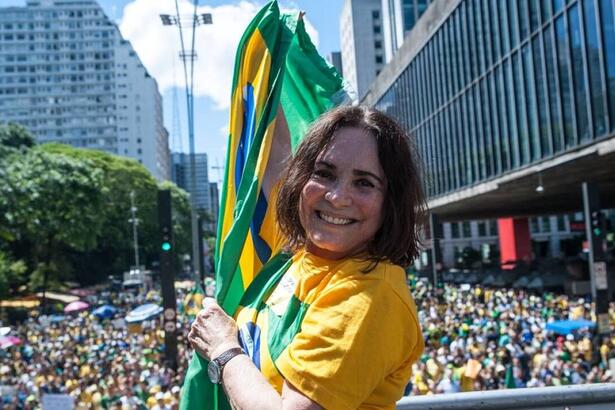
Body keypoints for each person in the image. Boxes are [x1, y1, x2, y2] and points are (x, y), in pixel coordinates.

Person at [188, 106, 426, 409]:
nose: (337, 197)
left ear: (390, 201)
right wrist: (266, 63)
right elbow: (274, 150)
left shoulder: (369, 296)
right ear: (300, 181)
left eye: (364, 182)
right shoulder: (294, 256)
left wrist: (223, 349)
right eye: (324, 174)